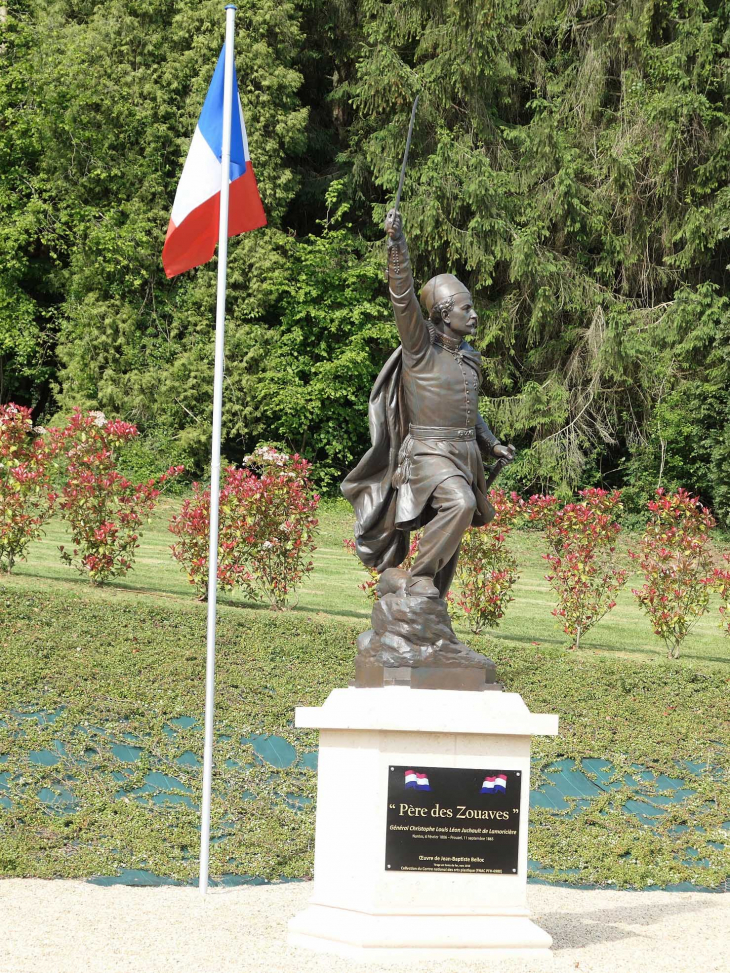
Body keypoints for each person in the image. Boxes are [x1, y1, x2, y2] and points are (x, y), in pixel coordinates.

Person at [342, 208, 515, 598]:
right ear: (442, 314)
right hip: (428, 452)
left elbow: (470, 410)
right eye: (464, 308)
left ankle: (424, 607)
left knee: (449, 554)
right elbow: (402, 297)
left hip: (464, 453)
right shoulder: (420, 349)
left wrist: (491, 444)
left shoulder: (469, 356)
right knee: (460, 503)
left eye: (471, 307)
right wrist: (396, 245)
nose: (473, 315)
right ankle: (416, 578)